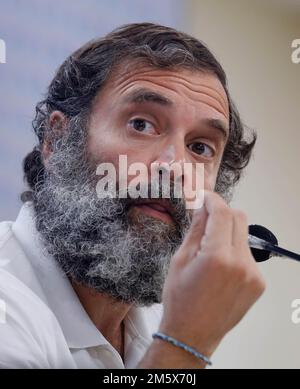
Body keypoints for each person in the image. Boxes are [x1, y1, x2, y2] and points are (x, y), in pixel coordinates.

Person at [0, 23, 265, 369]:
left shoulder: (161, 317)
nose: (174, 167)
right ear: (58, 140)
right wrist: (184, 345)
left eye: (200, 147)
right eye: (141, 124)